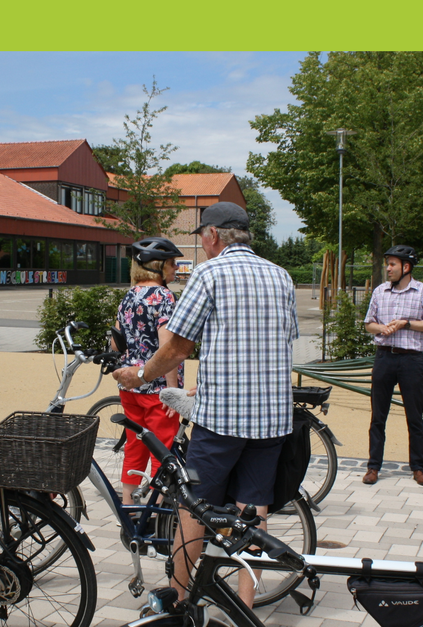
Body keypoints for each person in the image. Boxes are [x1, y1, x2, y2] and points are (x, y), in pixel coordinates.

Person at [114, 202, 298, 607]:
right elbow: (279, 343)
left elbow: (178, 346)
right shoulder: (282, 276)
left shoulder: (209, 273)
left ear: (213, 235)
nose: (201, 244)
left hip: (221, 422)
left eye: (201, 236)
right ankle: (245, 606)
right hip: (271, 418)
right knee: (254, 510)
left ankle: (177, 598)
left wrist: (141, 375)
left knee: (193, 506)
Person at [112, 237, 185, 505]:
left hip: (130, 387)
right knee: (162, 451)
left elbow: (115, 341)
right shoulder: (164, 297)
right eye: (172, 263)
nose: (176, 268)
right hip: (156, 389)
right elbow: (167, 350)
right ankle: (154, 514)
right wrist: (171, 391)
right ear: (158, 266)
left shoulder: (128, 295)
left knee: (135, 445)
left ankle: (128, 507)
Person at [361, 245, 423, 487]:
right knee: (378, 416)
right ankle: (373, 466)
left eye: (393, 264)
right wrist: (381, 328)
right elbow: (368, 324)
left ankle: (418, 468)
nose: (388, 268)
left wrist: (406, 324)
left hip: (411, 360)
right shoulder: (380, 291)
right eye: (388, 264)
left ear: (407, 267)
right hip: (384, 357)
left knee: (414, 416)